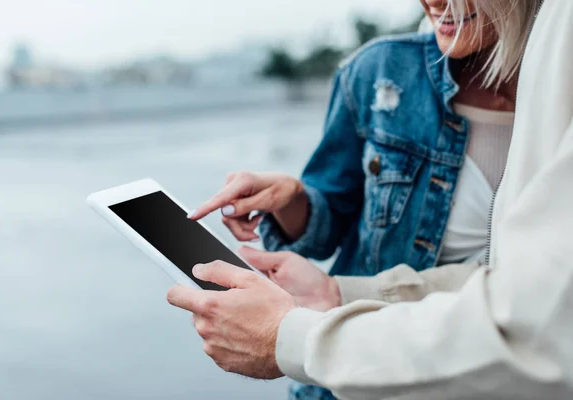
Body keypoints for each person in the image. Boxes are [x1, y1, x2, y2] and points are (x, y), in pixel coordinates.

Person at [168, 0, 573, 397]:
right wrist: (294, 202)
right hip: (357, 362)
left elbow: (533, 310)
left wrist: (297, 334)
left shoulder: (558, 83)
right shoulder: (380, 71)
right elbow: (329, 222)